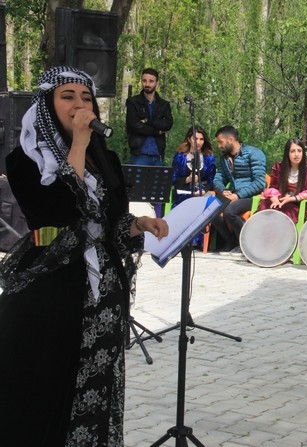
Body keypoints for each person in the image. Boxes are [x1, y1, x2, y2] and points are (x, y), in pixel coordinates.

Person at [0, 66, 168, 446]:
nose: (79, 104)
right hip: (51, 294)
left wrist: (138, 224)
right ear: (47, 105)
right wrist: (76, 142)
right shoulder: (24, 159)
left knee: (97, 390)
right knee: (45, 389)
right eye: (68, 97)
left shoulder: (103, 155)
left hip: (102, 297)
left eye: (86, 97)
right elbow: (61, 209)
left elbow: (109, 221)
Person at [211, 125, 267, 253]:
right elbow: (218, 179)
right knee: (210, 210)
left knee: (230, 211)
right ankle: (231, 240)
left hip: (253, 196)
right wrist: (222, 190)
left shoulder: (254, 153)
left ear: (231, 139)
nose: (219, 145)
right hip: (233, 196)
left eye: (221, 142)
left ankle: (246, 243)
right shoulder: (224, 159)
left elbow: (260, 182)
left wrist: (238, 195)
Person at [258, 137, 307, 223]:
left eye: (299, 151)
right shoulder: (279, 167)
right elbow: (272, 188)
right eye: (292, 151)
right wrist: (276, 201)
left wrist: (291, 198)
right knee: (265, 208)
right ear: (287, 153)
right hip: (279, 198)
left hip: (297, 203)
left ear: (303, 153)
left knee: (287, 213)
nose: (296, 154)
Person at [125, 68, 173, 166]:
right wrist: (157, 131)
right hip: (139, 154)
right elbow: (134, 125)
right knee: (137, 181)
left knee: (157, 181)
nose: (147, 84)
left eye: (151, 81)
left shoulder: (164, 104)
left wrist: (147, 121)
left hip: (158, 154)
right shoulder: (133, 102)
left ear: (157, 83)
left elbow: (168, 124)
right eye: (144, 80)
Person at [171, 125, 217, 206]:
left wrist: (204, 191)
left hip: (202, 196)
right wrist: (187, 179)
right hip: (183, 197)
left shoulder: (209, 158)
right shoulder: (180, 157)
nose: (198, 142)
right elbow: (172, 179)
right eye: (195, 139)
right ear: (189, 139)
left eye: (201, 139)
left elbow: (212, 181)